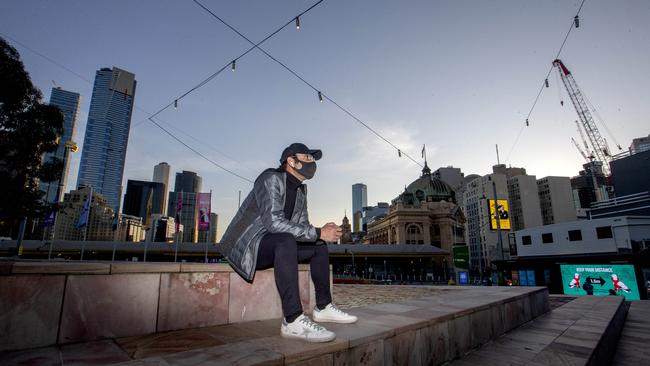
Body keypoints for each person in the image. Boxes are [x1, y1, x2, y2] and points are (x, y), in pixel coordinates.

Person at [220, 143, 358, 343]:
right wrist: (319, 231)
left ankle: (323, 307)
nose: (312, 163)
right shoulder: (270, 178)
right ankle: (292, 320)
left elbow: (303, 228)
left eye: (313, 159)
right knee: (286, 240)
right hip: (249, 244)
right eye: (308, 158)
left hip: (275, 243)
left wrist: (320, 233)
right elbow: (273, 222)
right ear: (292, 161)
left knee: (318, 245)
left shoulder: (301, 192)